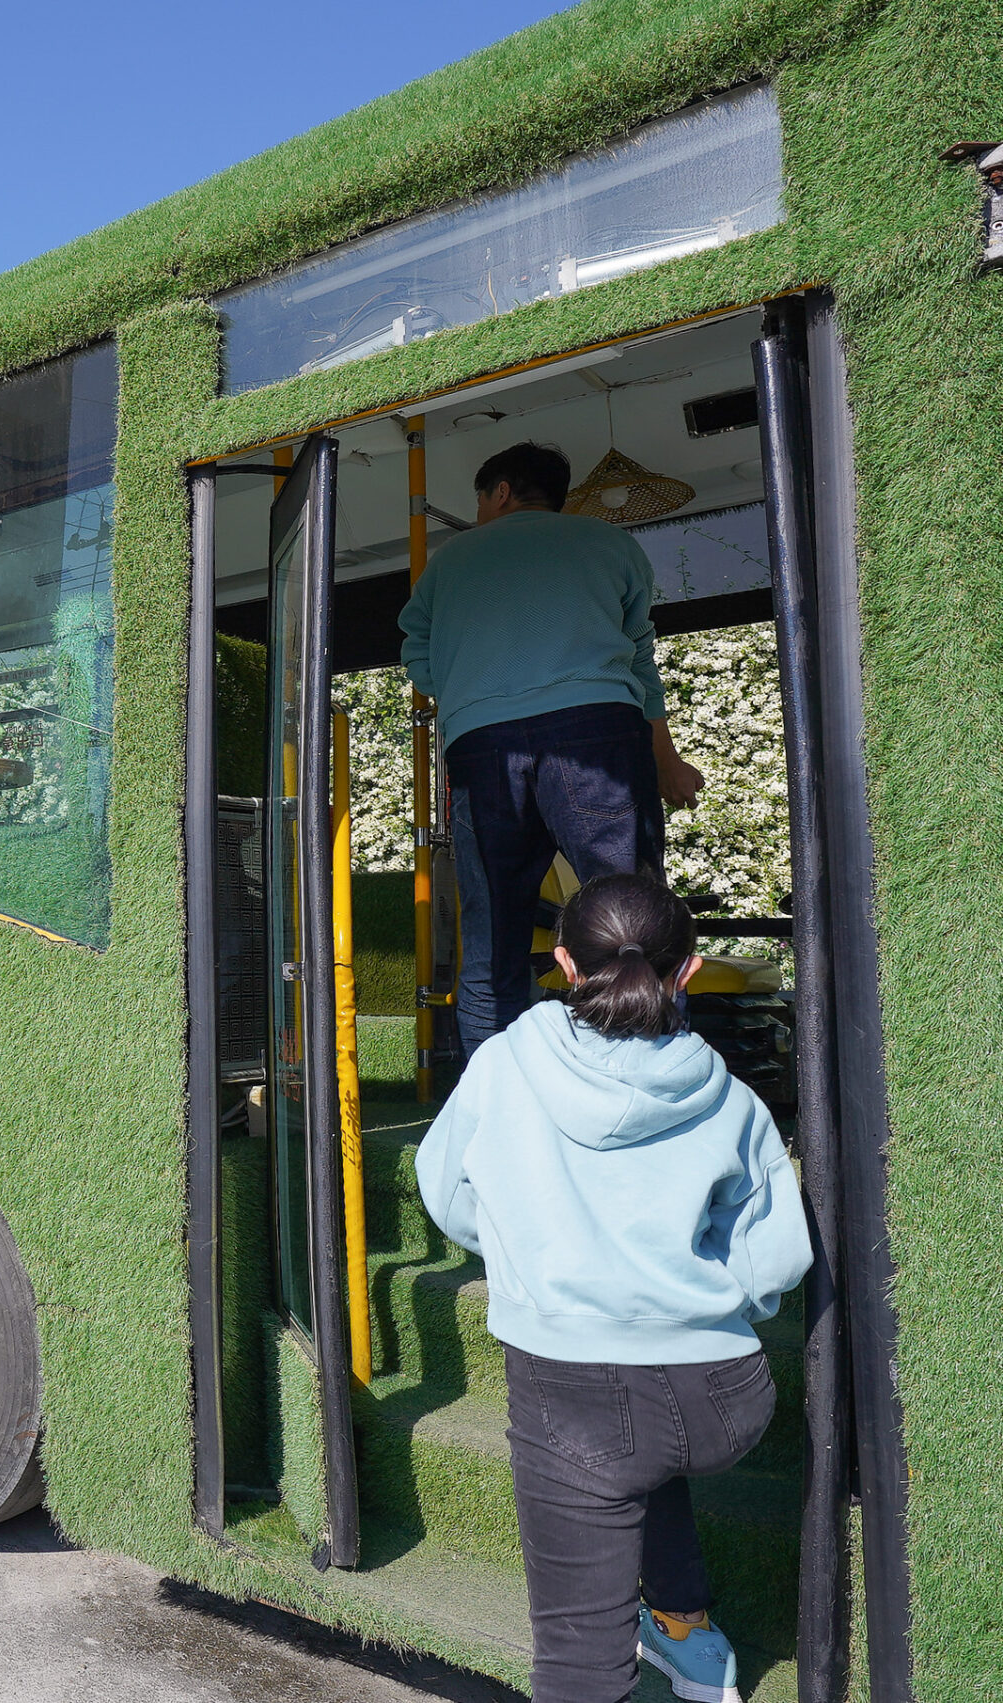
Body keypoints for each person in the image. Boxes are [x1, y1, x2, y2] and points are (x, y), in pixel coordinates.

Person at [414, 872, 810, 1703]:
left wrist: (535, 1252)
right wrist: (691, 1296)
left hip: (577, 1404)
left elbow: (448, 1194)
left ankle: (670, 1635)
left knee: (577, 1666)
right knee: (638, 1454)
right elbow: (774, 1260)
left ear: (562, 961)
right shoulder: (731, 1098)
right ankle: (685, 1632)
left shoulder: (501, 1065)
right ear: (689, 971)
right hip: (724, 1397)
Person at [398, 442, 706, 1054]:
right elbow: (639, 657)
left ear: (502, 492)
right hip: (598, 730)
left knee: (492, 937)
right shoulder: (612, 546)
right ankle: (649, 1086)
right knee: (632, 921)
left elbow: (417, 655)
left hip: (483, 748)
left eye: (481, 498)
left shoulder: (450, 559)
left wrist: (471, 692)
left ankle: (494, 1116)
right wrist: (666, 759)